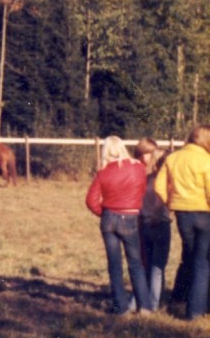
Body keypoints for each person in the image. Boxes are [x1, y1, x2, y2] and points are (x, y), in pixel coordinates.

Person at [85, 136, 151, 315]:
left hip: (109, 219)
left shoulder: (103, 172)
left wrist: (104, 213)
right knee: (136, 263)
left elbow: (91, 200)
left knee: (114, 264)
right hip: (129, 217)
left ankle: (120, 307)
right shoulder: (138, 168)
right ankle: (144, 306)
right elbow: (142, 191)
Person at [155, 124, 210, 320]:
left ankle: (181, 299)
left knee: (192, 255)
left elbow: (159, 186)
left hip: (182, 215)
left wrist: (171, 203)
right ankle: (196, 311)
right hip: (205, 214)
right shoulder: (206, 161)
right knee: (202, 262)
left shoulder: (172, 158)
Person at [135, 137, 171, 312]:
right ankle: (153, 304)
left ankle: (138, 301)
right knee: (158, 268)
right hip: (160, 224)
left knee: (146, 265)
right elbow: (161, 201)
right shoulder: (162, 181)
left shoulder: (144, 178)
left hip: (144, 223)